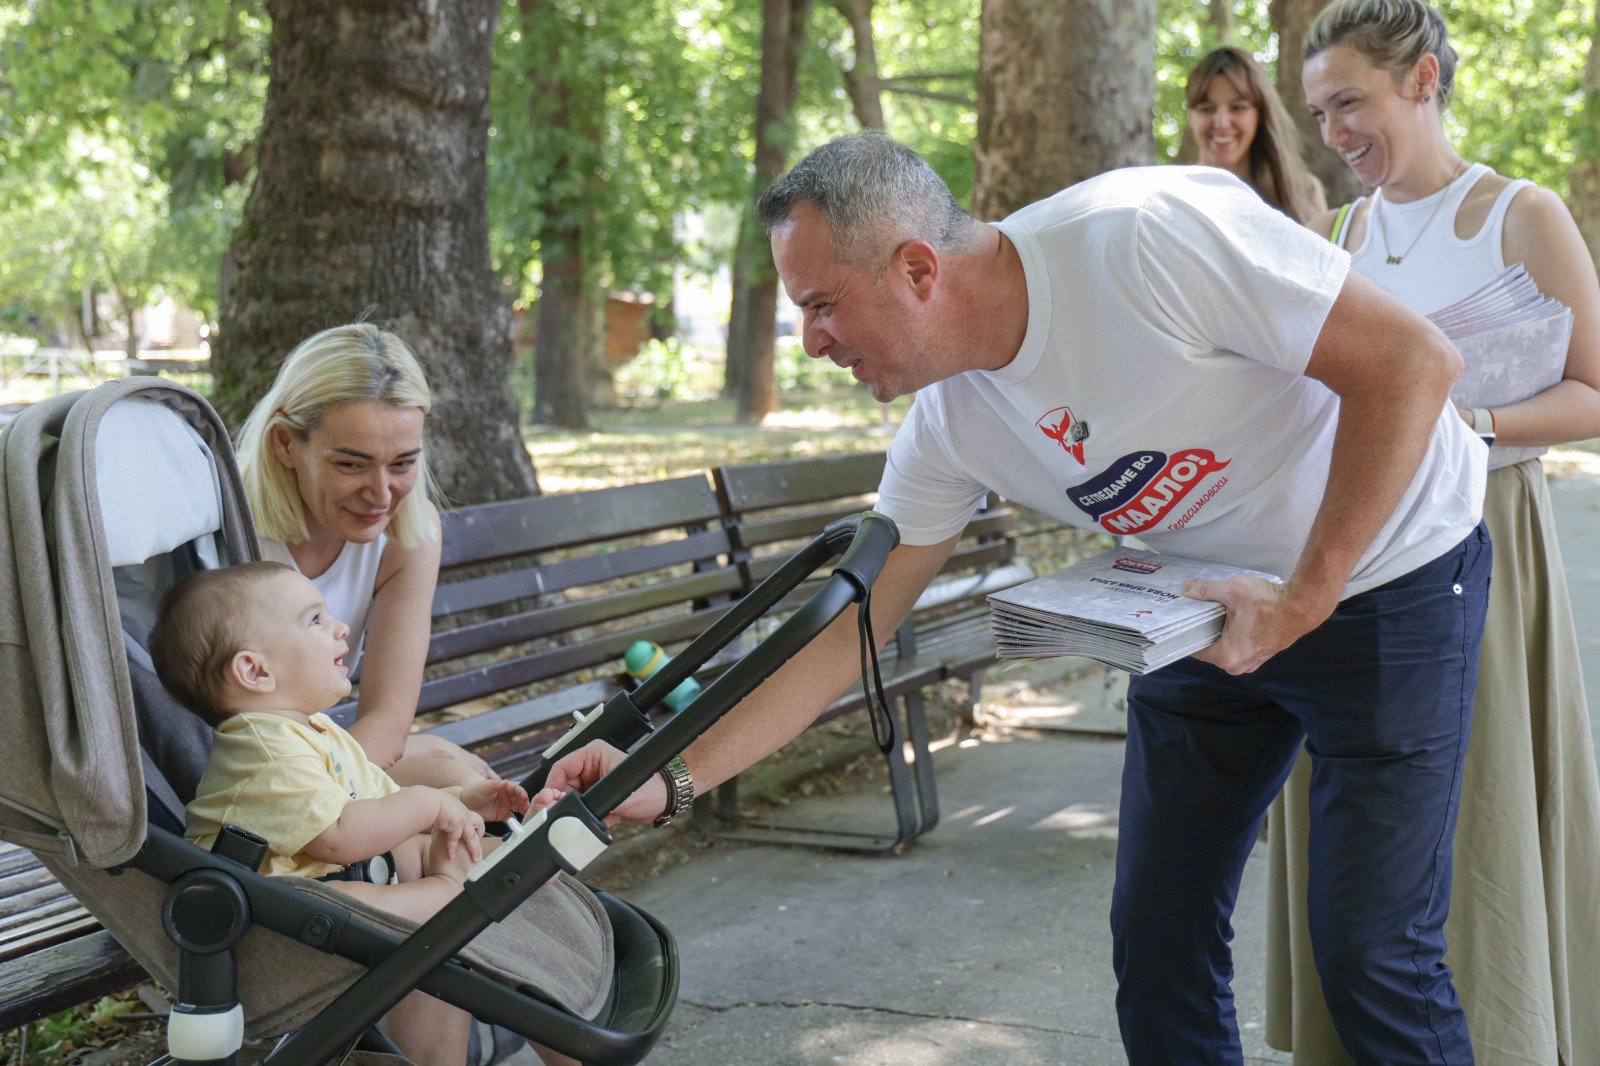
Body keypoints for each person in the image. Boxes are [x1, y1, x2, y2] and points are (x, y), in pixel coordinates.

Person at [547, 129, 1493, 1064]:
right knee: (1158, 940)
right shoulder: (946, 425)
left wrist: (1305, 597)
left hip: (1387, 568)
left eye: (823, 305)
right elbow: (848, 633)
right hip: (1196, 604)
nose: (811, 341)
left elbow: (1415, 364)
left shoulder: (1145, 237)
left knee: (1370, 955)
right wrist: (667, 775)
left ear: (917, 269)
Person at [1262, 2, 1600, 1063]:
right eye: (1319, 113)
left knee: (1473, 805)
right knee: (1363, 826)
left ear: (1423, 79)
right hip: (1354, 546)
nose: (1334, 134)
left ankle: (1498, 1032)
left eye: (1349, 103)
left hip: (1481, 534)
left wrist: (1467, 421)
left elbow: (1595, 392)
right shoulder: (1341, 236)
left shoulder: (1520, 214)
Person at [149, 561, 582, 1066]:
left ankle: (516, 854)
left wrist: (462, 801)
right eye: (315, 620)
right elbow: (338, 836)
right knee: (409, 890)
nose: (340, 628)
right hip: (280, 931)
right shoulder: (261, 750)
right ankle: (475, 881)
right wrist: (430, 806)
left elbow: (379, 802)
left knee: (427, 850)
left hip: (345, 893)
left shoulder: (315, 731)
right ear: (255, 671)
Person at [235, 323, 489, 788]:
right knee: (448, 782)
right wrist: (424, 748)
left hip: (312, 765)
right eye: (351, 464)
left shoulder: (409, 535)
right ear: (285, 443)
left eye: (402, 463)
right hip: (229, 780)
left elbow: (387, 723)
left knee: (468, 789)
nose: (381, 495)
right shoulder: (226, 527)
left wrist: (418, 749)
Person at [1186, 45, 1328, 222]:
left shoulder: (1304, 193)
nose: (1222, 123)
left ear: (1260, 114)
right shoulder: (1174, 196)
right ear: (1190, 117)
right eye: (1207, 109)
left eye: (1238, 108)